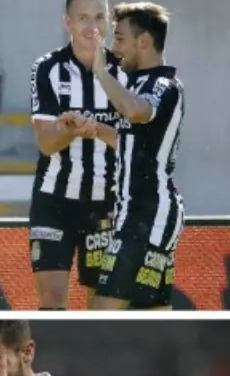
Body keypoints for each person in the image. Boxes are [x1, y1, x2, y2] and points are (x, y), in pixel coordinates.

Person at [28, 0, 125, 310]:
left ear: (109, 22)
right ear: (67, 22)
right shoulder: (47, 68)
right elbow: (46, 144)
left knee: (102, 302)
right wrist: (70, 130)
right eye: (83, 18)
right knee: (51, 297)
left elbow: (136, 144)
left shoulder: (125, 69)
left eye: (99, 17)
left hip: (106, 202)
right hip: (54, 199)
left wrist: (96, 129)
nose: (92, 27)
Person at [87, 2, 185, 310]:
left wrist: (100, 72)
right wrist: (91, 128)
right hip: (139, 214)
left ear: (144, 41)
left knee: (102, 313)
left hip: (147, 215)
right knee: (151, 316)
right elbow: (130, 142)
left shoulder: (163, 84)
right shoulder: (136, 83)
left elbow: (137, 111)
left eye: (119, 38)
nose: (114, 48)